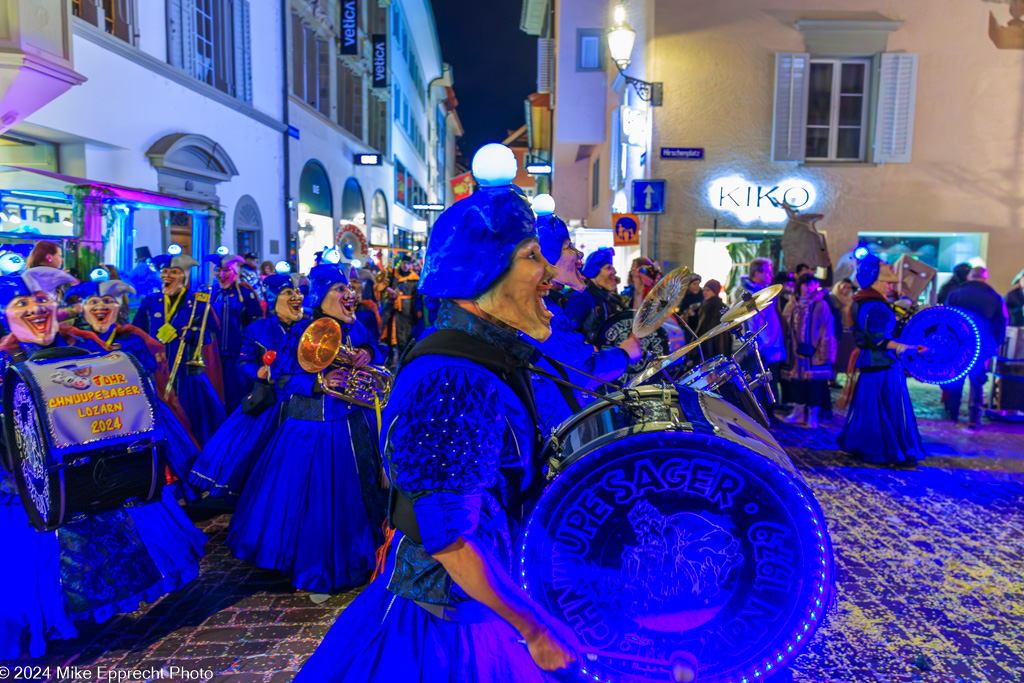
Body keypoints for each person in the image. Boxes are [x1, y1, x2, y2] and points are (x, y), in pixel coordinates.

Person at [294, 143, 581, 682]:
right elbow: (449, 537)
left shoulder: (487, 356)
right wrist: (534, 629)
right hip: (448, 621)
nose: (548, 273)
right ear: (481, 273)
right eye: (531, 258)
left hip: (474, 603)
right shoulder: (456, 377)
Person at [0, 267, 206, 659]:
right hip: (24, 488)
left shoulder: (87, 349)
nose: (36, 309)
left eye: (41, 299)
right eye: (21, 303)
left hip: (92, 477)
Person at [227, 262, 388, 592]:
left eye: (349, 288)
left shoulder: (355, 326)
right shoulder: (305, 330)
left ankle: (366, 554)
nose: (349, 294)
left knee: (363, 494)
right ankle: (317, 565)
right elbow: (283, 378)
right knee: (314, 502)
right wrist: (318, 382)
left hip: (356, 423)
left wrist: (368, 352)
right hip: (313, 431)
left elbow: (380, 347)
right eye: (340, 289)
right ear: (322, 295)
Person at [66, 277, 201, 500]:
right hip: (92, 415)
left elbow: (148, 370)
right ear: (83, 309)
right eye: (93, 302)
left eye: (108, 301)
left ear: (119, 307)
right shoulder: (75, 342)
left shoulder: (131, 339)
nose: (100, 307)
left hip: (133, 410)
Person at [190, 273, 307, 500]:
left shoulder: (313, 324)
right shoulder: (257, 329)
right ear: (274, 299)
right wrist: (259, 371)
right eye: (288, 292)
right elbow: (244, 360)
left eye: (299, 292)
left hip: (308, 398)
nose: (296, 296)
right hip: (272, 401)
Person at [529, 196, 640, 431]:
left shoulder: (547, 305)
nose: (578, 255)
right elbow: (580, 370)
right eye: (568, 247)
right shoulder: (541, 311)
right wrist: (624, 354)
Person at [838, 253, 926, 465]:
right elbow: (879, 340)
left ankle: (870, 445)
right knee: (887, 409)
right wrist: (909, 348)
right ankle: (887, 450)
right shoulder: (875, 305)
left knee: (875, 409)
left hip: (872, 364)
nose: (889, 286)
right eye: (886, 282)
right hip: (881, 365)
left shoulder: (862, 301)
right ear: (876, 281)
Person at [133, 253, 226, 446]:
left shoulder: (197, 303)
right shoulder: (149, 301)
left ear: (184, 277)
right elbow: (137, 332)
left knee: (190, 417)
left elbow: (211, 332)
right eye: (164, 272)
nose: (167, 276)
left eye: (173, 272)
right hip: (157, 371)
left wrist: (194, 335)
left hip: (186, 371)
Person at [945, 267, 1009, 428]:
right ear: (985, 278)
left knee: (956, 376)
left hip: (958, 343)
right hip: (983, 344)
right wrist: (995, 343)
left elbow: (945, 318)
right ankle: (974, 417)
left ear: (969, 277)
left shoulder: (956, 293)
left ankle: (952, 413)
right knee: (977, 380)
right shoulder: (995, 297)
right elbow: (1002, 322)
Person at [731, 257, 787, 419]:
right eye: (768, 272)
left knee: (764, 381)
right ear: (757, 273)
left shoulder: (763, 292)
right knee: (753, 382)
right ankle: (751, 417)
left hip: (766, 346)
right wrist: (756, 343)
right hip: (754, 347)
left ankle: (764, 414)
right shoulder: (747, 295)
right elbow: (749, 321)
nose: (771, 275)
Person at [208, 254, 264, 413]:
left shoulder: (246, 293)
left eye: (226, 270)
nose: (222, 274)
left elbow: (256, 324)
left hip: (238, 356)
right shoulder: (213, 294)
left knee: (237, 396)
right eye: (218, 270)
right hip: (215, 356)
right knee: (216, 396)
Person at [780, 274, 837, 428]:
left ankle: (813, 415)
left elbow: (827, 329)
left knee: (815, 383)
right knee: (796, 381)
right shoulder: (791, 305)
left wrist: (822, 350)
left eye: (812, 284)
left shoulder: (821, 305)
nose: (809, 287)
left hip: (815, 352)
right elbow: (784, 327)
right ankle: (798, 412)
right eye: (806, 284)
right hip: (793, 351)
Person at [564, 247, 626, 344]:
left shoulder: (606, 297)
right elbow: (568, 331)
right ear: (594, 271)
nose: (614, 272)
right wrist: (588, 347)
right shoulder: (582, 298)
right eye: (608, 268)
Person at [378, 254, 421, 365]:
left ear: (411, 265)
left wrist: (417, 311)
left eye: (408, 264)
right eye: (404, 263)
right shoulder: (392, 274)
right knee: (388, 334)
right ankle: (390, 358)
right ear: (401, 263)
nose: (406, 266)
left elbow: (417, 297)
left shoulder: (414, 278)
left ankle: (403, 362)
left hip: (406, 312)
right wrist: (388, 289)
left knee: (404, 337)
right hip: (391, 309)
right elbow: (381, 285)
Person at [693, 279, 731, 361]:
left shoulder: (708, 306)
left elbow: (703, 329)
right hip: (721, 346)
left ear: (715, 291)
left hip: (710, 345)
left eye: (708, 290)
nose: (704, 293)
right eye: (704, 290)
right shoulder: (722, 306)